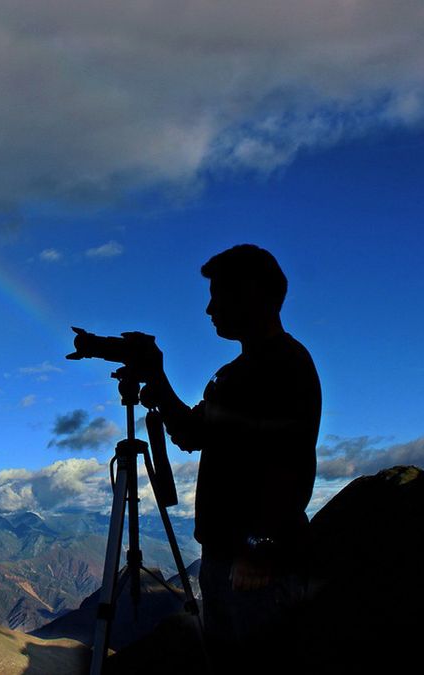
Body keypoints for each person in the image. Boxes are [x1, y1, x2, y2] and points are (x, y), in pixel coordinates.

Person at [137, 244, 321, 671]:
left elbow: (289, 465)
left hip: (258, 570)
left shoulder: (287, 365)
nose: (208, 309)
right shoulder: (232, 376)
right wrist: (158, 379)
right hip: (223, 559)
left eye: (218, 295)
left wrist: (260, 548)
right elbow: (189, 433)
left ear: (251, 295)